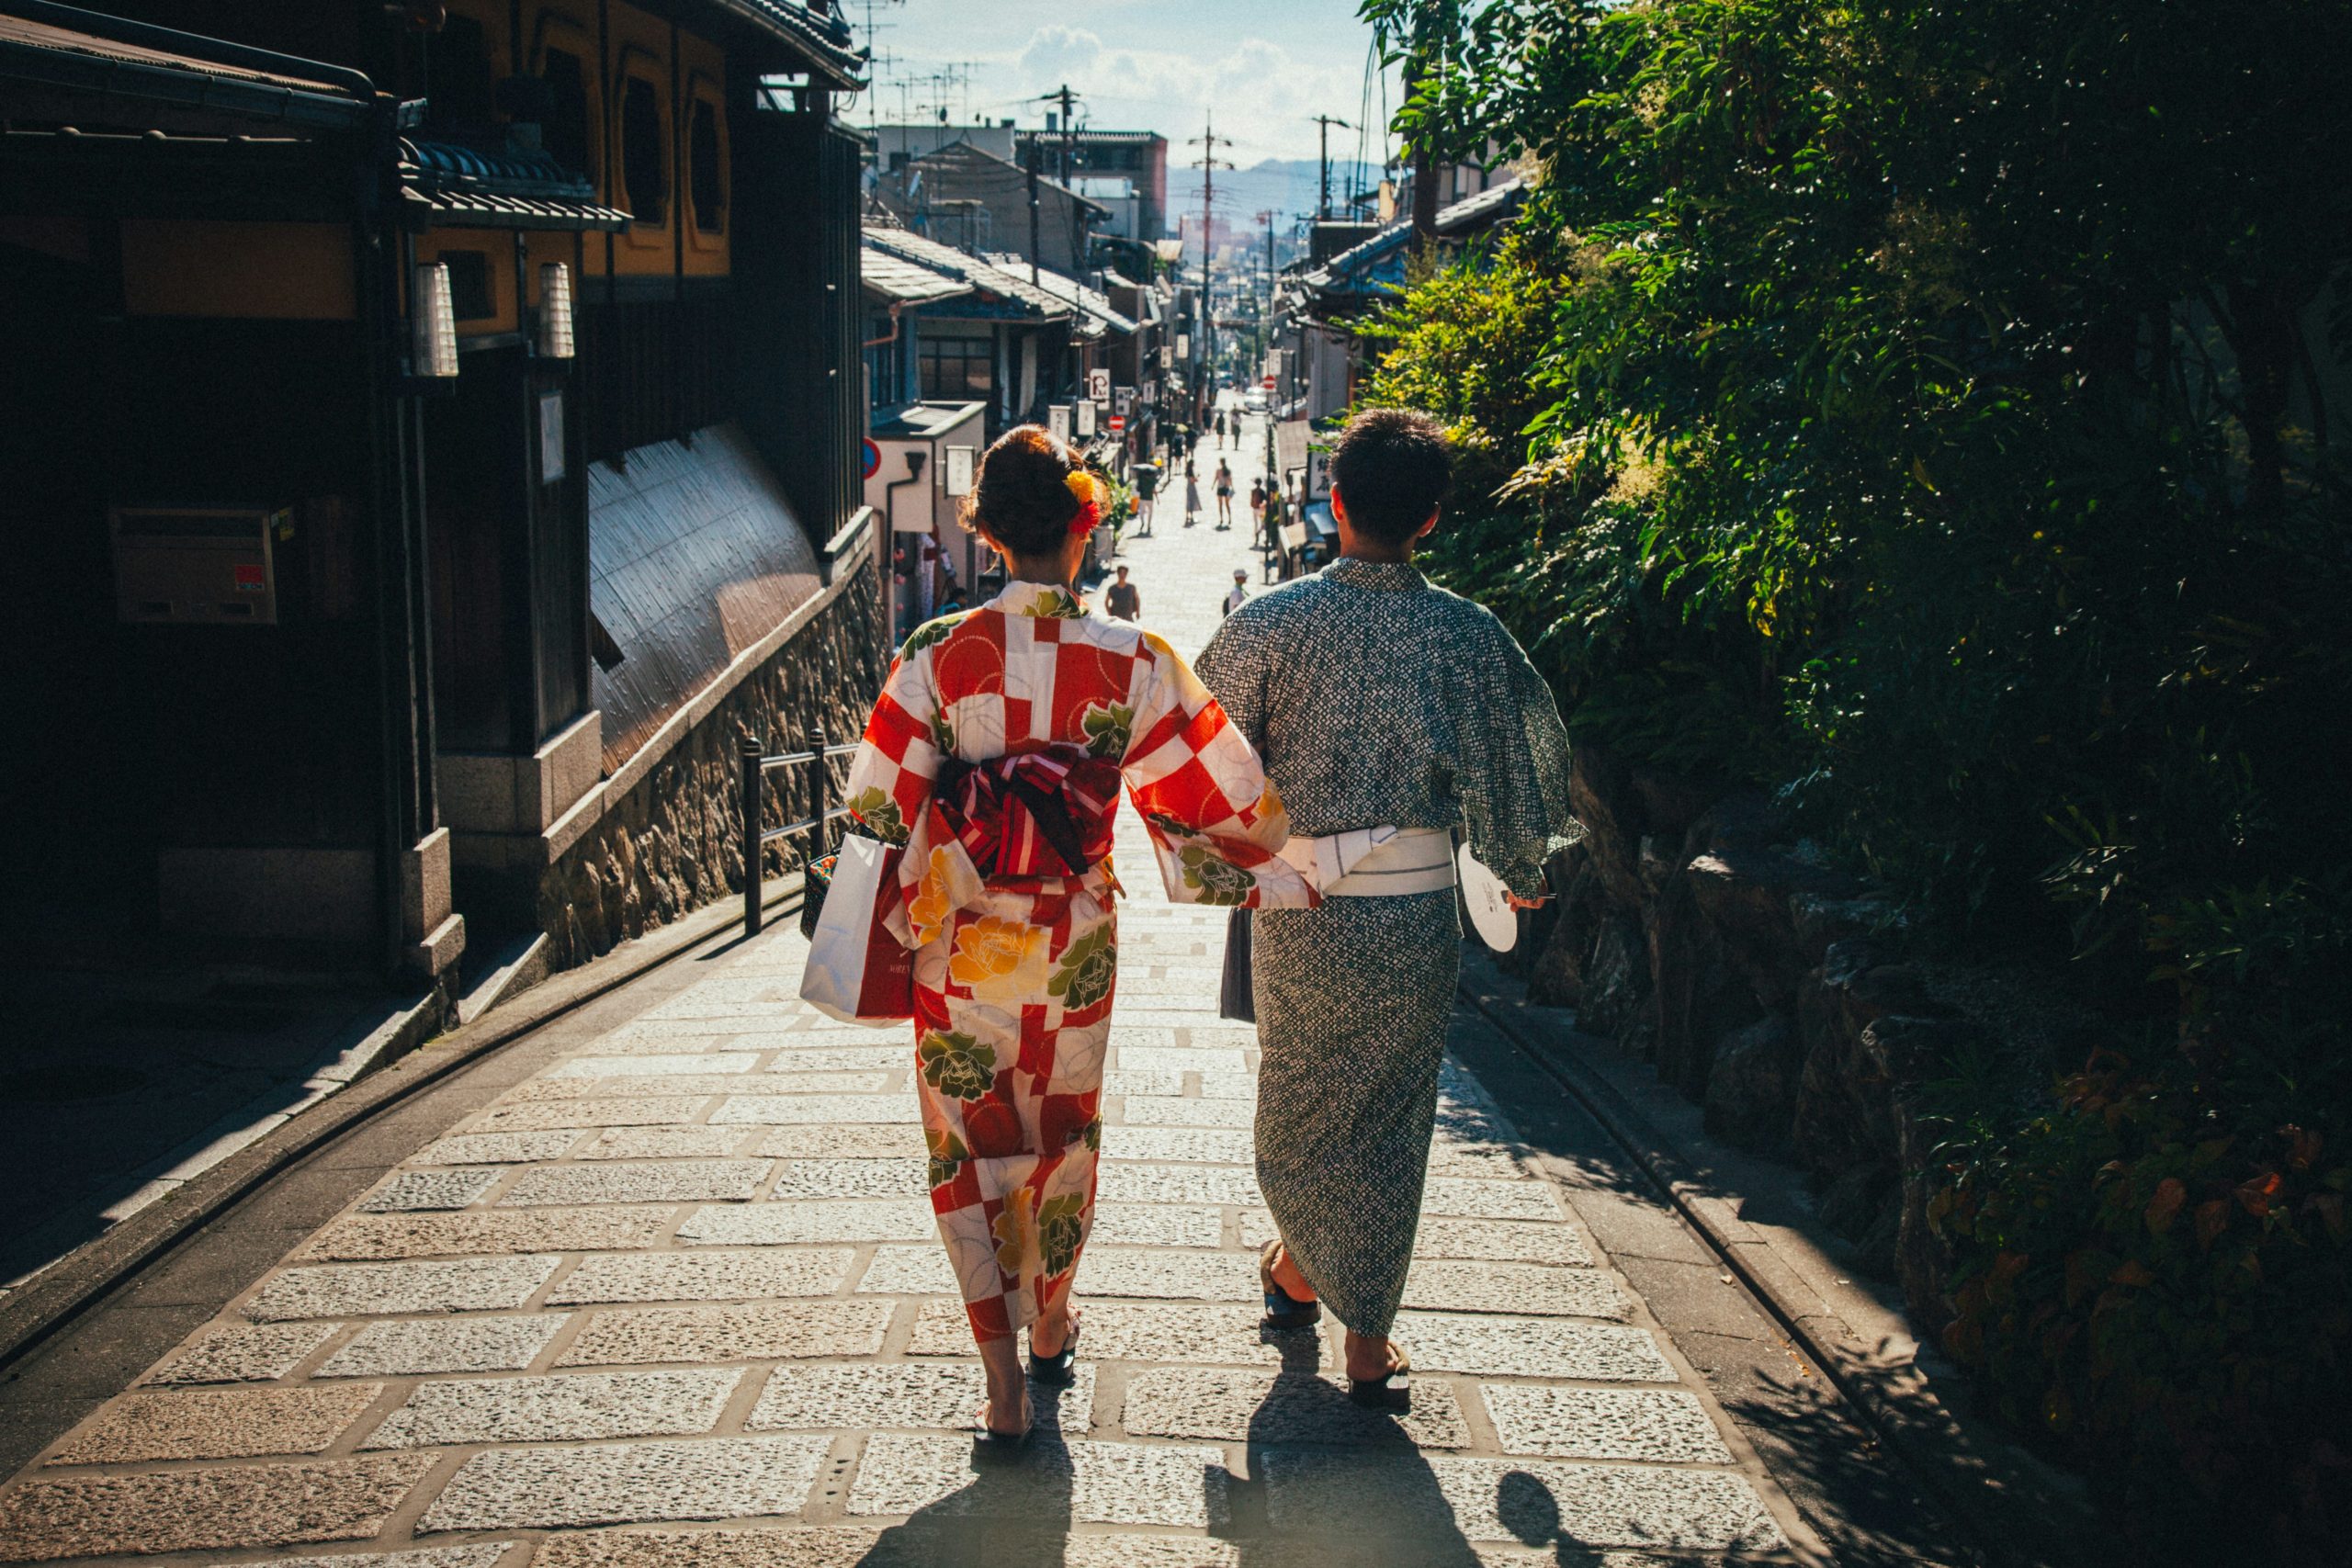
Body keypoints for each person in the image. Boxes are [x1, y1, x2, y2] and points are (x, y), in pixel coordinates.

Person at [846, 425, 1316, 1445]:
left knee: (965, 1144)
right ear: (1085, 522)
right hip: (1072, 941)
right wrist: (1289, 865)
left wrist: (890, 916)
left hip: (960, 940)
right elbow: (1218, 800)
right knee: (1060, 1132)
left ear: (985, 531)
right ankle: (1051, 1316)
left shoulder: (933, 657)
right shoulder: (1134, 660)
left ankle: (999, 1382)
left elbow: (877, 814)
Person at [1195, 409, 1576, 1410]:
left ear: (1335, 503)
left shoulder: (1267, 624)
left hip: (1301, 909)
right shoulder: (1465, 633)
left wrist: (1231, 861)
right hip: (1413, 915)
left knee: (1302, 1093)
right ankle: (1358, 1332)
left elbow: (1199, 758)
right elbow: (1523, 744)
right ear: (1434, 521)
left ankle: (1303, 1273)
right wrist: (1516, 856)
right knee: (1391, 1117)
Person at [1127, 457, 1161, 537]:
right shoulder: (1152, 480)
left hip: (1143, 498)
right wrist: (1157, 499)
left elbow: (1138, 488)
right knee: (1150, 513)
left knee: (1142, 512)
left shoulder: (1141, 479)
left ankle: (1143, 523)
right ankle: (1148, 525)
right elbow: (1154, 490)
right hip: (1150, 498)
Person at [1214, 459, 1236, 529]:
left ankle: (1221, 518)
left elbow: (1216, 478)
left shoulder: (1218, 471)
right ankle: (1229, 518)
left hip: (1220, 488)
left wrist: (1213, 485)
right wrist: (1232, 487)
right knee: (1227, 504)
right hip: (1226, 488)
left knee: (1220, 505)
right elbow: (1230, 479)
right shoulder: (1228, 471)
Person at [1182, 462, 1204, 528]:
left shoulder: (1188, 471)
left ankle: (1188, 515)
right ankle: (1190, 515)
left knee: (1189, 501)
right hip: (1191, 488)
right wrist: (1197, 476)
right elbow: (1192, 480)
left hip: (1189, 487)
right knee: (1191, 501)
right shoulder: (1190, 472)